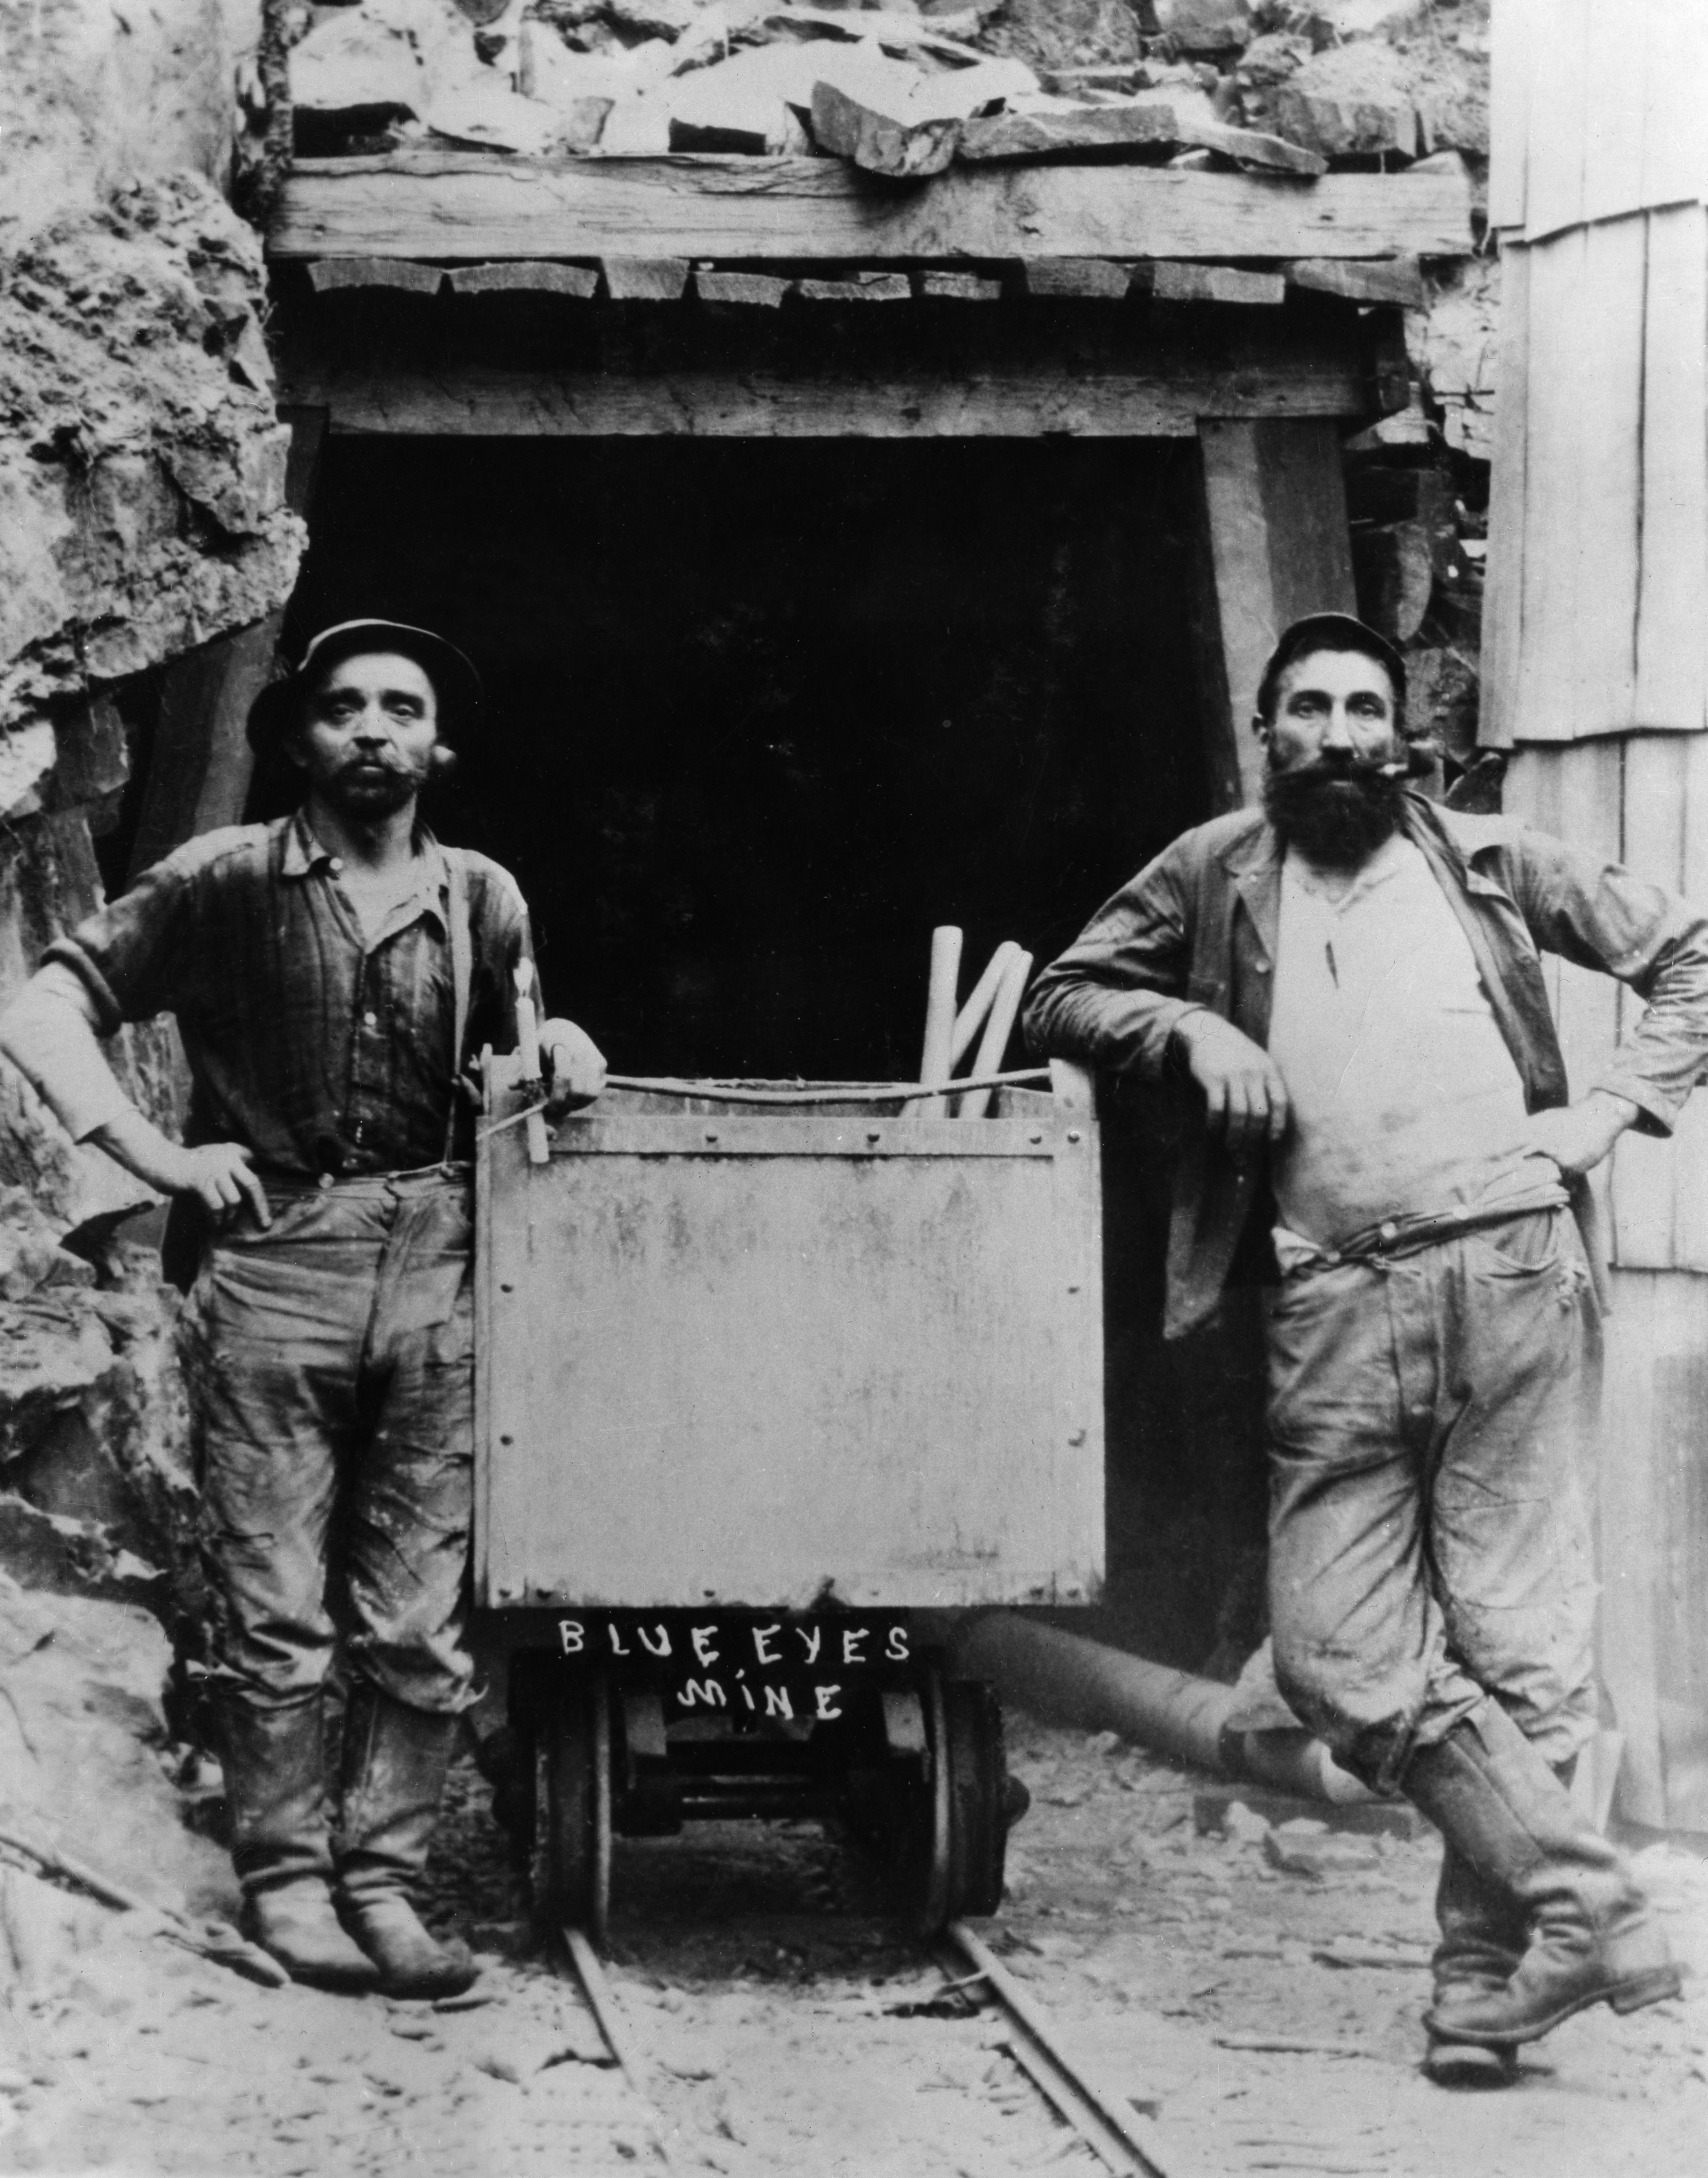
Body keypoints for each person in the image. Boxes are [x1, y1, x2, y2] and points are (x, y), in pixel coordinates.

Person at [1024, 612, 1707, 2087]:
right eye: (1310, 709)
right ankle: (1588, 1901)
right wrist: (1181, 1032)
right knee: (1335, 1656)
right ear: (1264, 733)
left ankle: (1480, 1989)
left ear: (1403, 736)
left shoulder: (1492, 862)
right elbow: (1061, 990)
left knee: (1522, 1654)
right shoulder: (1214, 871)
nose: (1340, 733)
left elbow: (1694, 956)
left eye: (1364, 709)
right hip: (1329, 1301)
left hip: (1513, 1276)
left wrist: (1608, 1116)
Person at [0, 620, 606, 1998]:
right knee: (276, 1604)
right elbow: (42, 1005)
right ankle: (286, 1878)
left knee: (416, 1616)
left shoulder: (483, 895)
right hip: (277, 1258)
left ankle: (384, 1881)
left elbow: (515, 1065)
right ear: (298, 739)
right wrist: (149, 1154)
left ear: (438, 745)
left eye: (404, 708)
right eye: (344, 708)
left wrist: (558, 1048)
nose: (375, 729)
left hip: (446, 1262)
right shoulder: (223, 880)